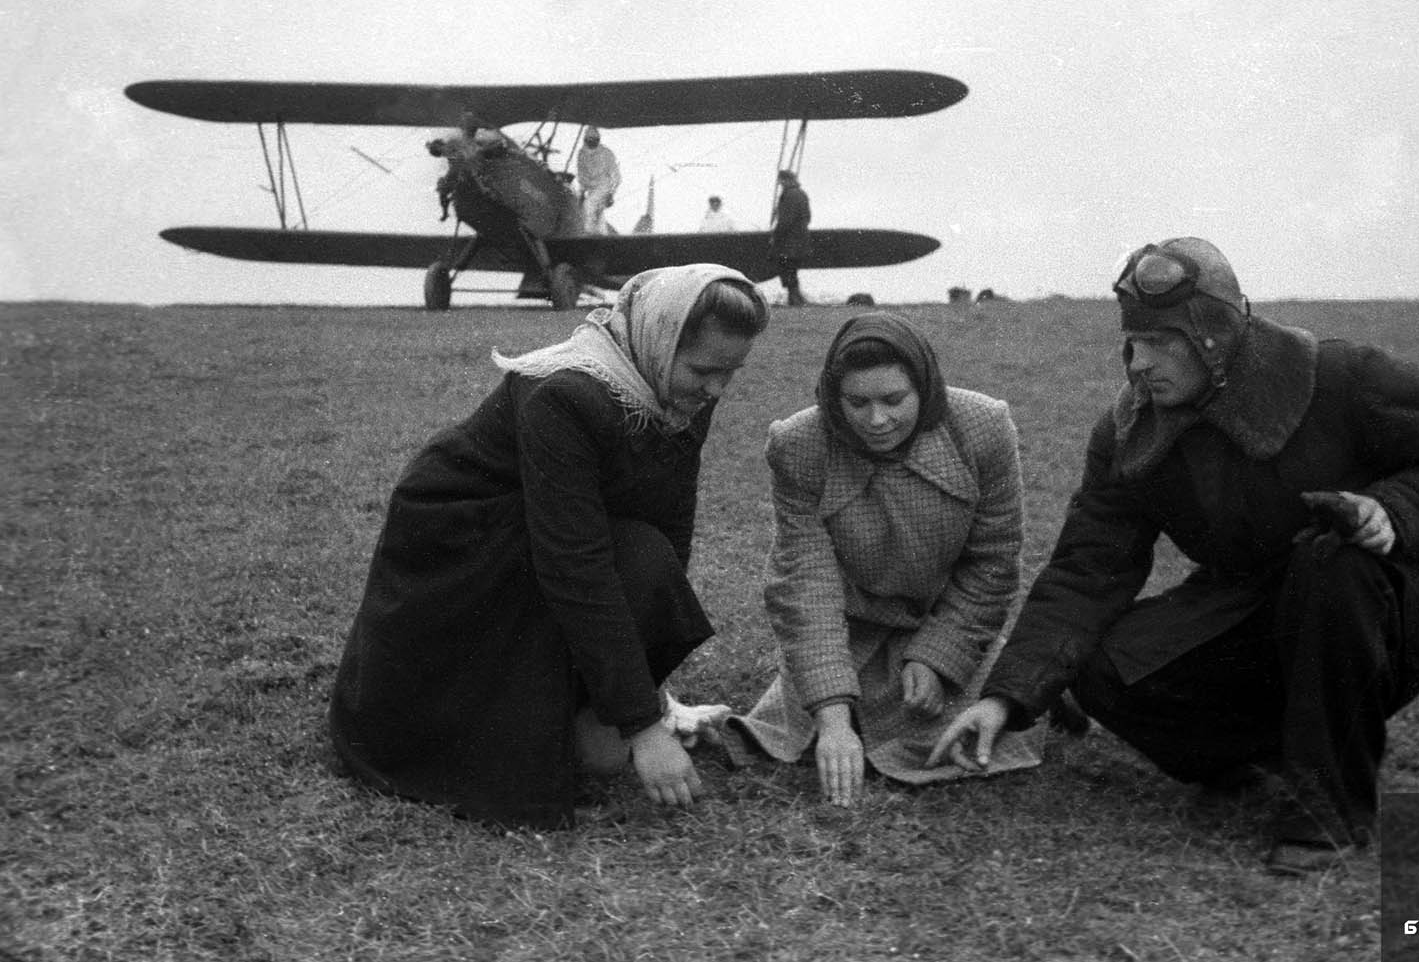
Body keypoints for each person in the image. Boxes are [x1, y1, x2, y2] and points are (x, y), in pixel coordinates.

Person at [929, 237, 1419, 875]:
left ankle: (1328, 811)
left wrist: (1391, 512)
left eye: (1162, 342)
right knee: (1102, 672)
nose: (1139, 363)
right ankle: (1268, 754)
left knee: (1332, 562)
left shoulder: (1346, 376)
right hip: (1244, 607)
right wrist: (1006, 698)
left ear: (1214, 334)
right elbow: (1088, 571)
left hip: (1383, 607)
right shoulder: (1127, 430)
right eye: (1134, 342)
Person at [328, 264, 770, 830]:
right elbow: (575, 566)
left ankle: (583, 707)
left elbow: (666, 531)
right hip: (459, 544)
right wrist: (641, 727)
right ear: (660, 340)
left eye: (732, 372)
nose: (716, 389)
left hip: (549, 534)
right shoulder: (562, 392)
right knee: (612, 578)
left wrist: (646, 692)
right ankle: (509, 721)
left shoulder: (677, 390)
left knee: (646, 555)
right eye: (705, 369)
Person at [727, 313, 1044, 806]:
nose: (876, 421)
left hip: (945, 621)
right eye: (856, 402)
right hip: (852, 632)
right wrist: (831, 715)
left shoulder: (983, 427)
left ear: (924, 387)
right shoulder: (799, 444)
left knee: (989, 721)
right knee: (822, 717)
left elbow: (993, 564)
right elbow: (805, 584)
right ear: (834, 397)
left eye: (894, 400)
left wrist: (940, 658)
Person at [769, 170, 812, 306]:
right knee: (792, 269)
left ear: (784, 180)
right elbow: (808, 217)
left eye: (781, 180)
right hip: (800, 239)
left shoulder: (789, 195)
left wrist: (775, 236)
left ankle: (794, 299)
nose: (780, 183)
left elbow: (785, 221)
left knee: (787, 268)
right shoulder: (801, 194)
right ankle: (795, 298)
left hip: (788, 241)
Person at [576, 125, 622, 234]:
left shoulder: (606, 153)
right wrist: (582, 191)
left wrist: (611, 193)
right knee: (597, 212)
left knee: (589, 205)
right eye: (589, 140)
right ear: (585, 140)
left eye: (594, 140)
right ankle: (600, 233)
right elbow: (581, 174)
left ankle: (589, 233)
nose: (592, 142)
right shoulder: (582, 154)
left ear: (598, 140)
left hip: (604, 186)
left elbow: (616, 175)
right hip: (591, 188)